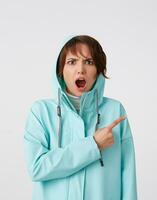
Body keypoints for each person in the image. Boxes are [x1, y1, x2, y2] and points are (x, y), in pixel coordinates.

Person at [23, 35, 138, 200]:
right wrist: (93, 144)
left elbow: (128, 177)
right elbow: (37, 168)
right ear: (60, 71)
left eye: (89, 62)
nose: (81, 69)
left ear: (99, 71)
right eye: (72, 62)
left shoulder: (115, 111)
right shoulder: (41, 111)